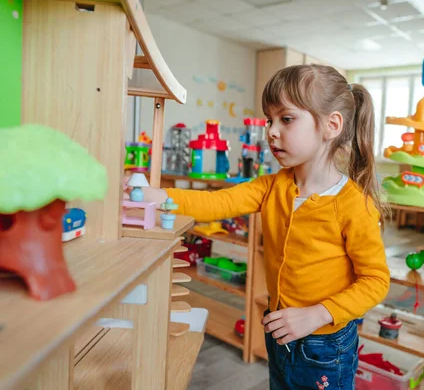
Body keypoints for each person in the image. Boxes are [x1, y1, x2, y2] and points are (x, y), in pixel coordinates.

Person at [129, 64, 390, 389]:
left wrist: (318, 314)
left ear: (331, 125)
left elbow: (376, 281)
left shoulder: (354, 204)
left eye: (286, 119)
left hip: (326, 345)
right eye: (270, 120)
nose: (271, 131)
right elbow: (218, 203)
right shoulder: (273, 186)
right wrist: (158, 195)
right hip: (279, 331)